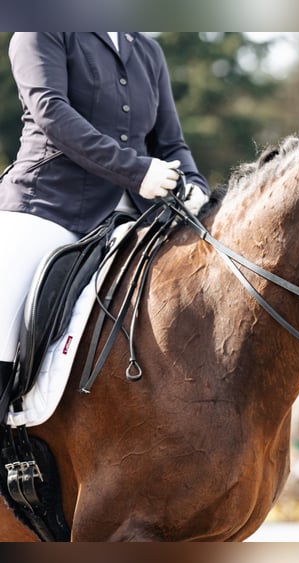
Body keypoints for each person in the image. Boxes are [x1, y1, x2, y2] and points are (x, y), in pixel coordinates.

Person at [0, 32, 210, 395]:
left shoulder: (147, 50)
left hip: (139, 215)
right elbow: (51, 111)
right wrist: (136, 170)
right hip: (50, 205)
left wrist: (194, 186)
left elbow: (170, 141)